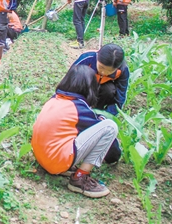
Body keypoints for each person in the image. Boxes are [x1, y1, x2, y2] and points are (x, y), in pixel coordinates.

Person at [32, 65, 121, 198]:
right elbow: (101, 132)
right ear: (90, 87)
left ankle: (64, 165)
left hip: (42, 158)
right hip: (55, 162)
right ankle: (80, 178)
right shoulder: (78, 107)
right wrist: (114, 155)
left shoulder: (55, 99)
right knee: (109, 126)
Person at [72, 44, 129, 115]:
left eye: (109, 71)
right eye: (101, 67)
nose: (103, 72)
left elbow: (120, 97)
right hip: (83, 86)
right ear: (97, 58)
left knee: (109, 90)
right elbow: (69, 82)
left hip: (102, 91)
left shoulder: (123, 70)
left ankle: (97, 113)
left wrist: (108, 115)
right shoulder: (87, 58)